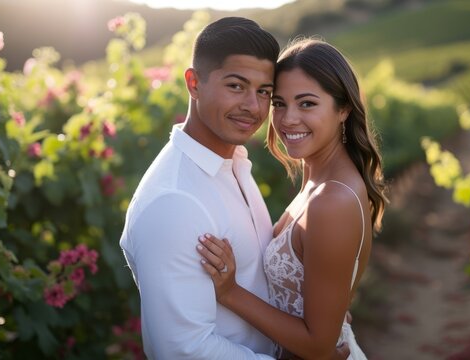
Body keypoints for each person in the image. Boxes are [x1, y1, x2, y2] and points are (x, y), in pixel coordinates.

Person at [119, 17, 349, 359]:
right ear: (194, 83)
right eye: (236, 86)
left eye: (264, 93)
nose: (254, 108)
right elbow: (181, 350)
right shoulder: (174, 201)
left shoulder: (234, 164)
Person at [196, 38, 388, 359]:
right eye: (279, 103)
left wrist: (230, 293)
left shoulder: (332, 199)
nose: (287, 119)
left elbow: (317, 346)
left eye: (307, 103)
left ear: (343, 109)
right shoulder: (318, 178)